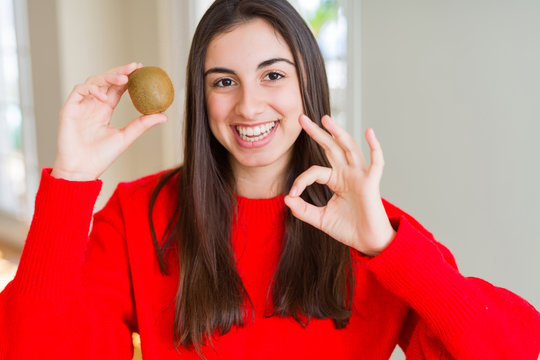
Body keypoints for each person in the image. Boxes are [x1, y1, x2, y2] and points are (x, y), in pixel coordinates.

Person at [1, 0, 539, 359]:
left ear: (308, 84)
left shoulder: (370, 229)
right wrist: (71, 180)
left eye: (273, 75)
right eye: (223, 81)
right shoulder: (140, 214)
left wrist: (387, 247)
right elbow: (27, 347)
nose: (248, 104)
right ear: (200, 97)